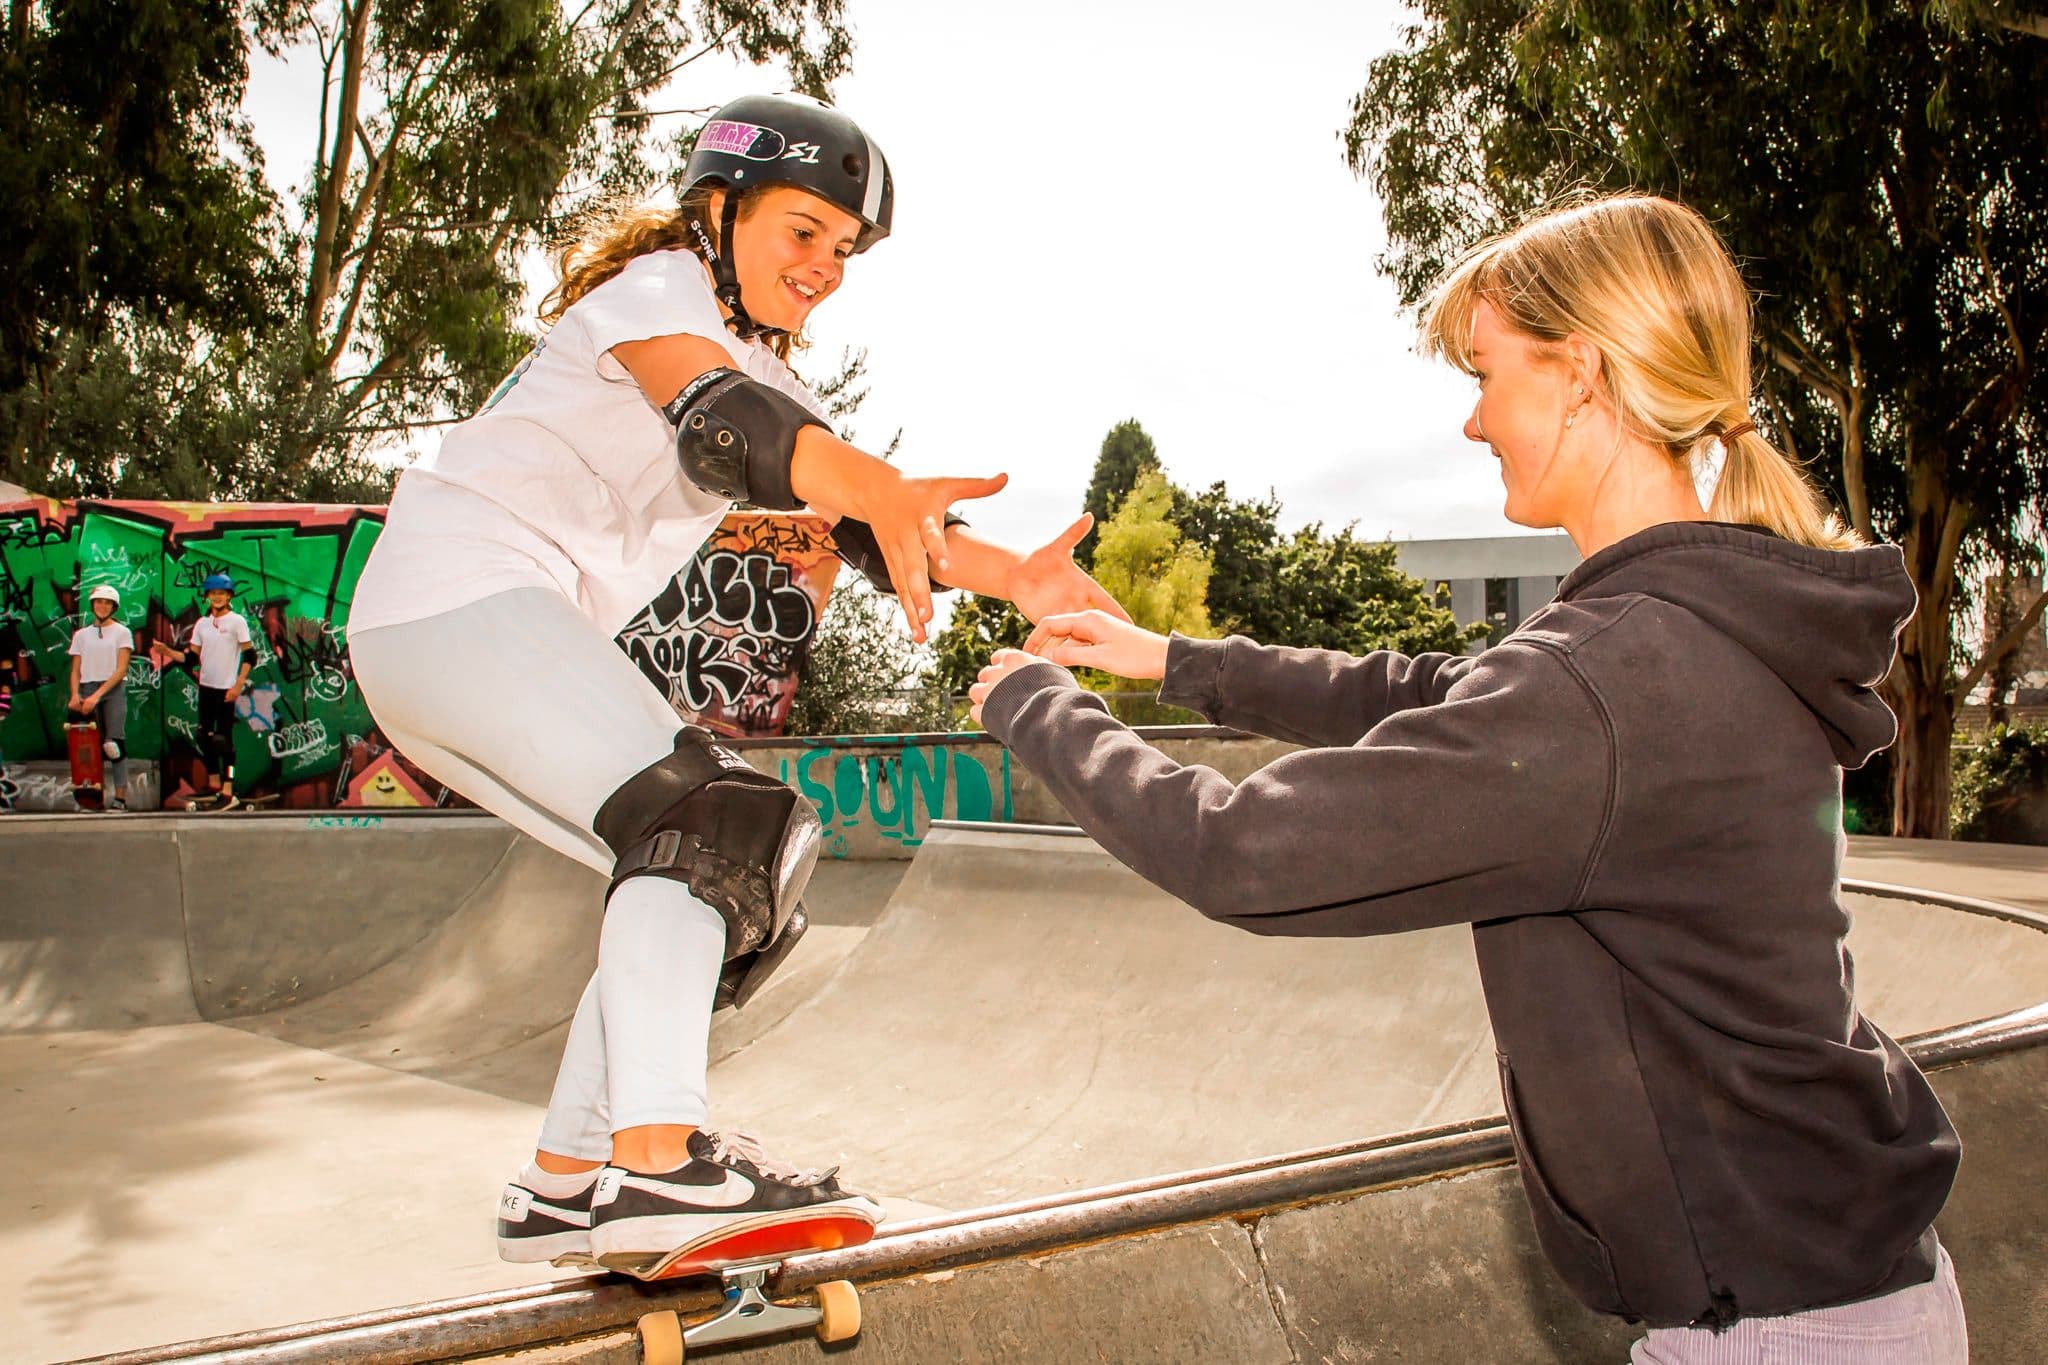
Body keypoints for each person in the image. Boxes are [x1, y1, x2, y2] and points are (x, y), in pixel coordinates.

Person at [970, 194, 1967, 1361]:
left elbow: (1245, 851)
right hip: (1834, 1287)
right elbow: (1431, 695)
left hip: (1770, 1329)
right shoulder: (1690, 628)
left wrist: (1031, 705)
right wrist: (1170, 661)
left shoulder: (1605, 684)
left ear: (1580, 373)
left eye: (1485, 375)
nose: (1472, 422)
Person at [345, 93, 1123, 1280]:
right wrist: (858, 477)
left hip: (463, 635)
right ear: (720, 205)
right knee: (704, 819)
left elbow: (853, 515)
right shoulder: (658, 289)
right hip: (458, 596)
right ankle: (659, 1166)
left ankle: (568, 1178)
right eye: (803, 232)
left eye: (845, 252)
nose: (826, 268)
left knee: (735, 863)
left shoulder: (757, 364)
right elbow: (728, 431)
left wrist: (1009, 572)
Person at [156, 573, 255, 811]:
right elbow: (191, 658)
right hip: (206, 688)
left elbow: (250, 654)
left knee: (225, 742)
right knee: (205, 737)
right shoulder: (202, 624)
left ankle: (228, 789)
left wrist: (238, 684)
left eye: (221, 593)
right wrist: (168, 652)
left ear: (229, 595)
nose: (217, 597)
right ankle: (213, 785)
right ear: (208, 596)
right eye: (213, 594)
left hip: (226, 689)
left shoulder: (237, 621)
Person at [67, 585, 134, 811]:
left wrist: (97, 696)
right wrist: (76, 695)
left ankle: (120, 798)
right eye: (99, 602)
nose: (102, 606)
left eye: (107, 603)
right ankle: (89, 795)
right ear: (93, 605)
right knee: (85, 746)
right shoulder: (81, 635)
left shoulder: (122, 632)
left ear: (113, 606)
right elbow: (76, 669)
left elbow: (121, 669)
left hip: (111, 689)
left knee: (113, 744)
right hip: (86, 688)